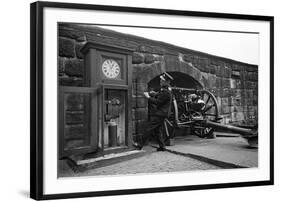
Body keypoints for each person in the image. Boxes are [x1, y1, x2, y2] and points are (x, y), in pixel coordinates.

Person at [133, 72, 173, 151]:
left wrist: (148, 97)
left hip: (160, 114)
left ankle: (140, 144)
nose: (160, 82)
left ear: (166, 82)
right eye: (160, 80)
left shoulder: (166, 92)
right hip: (162, 114)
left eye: (162, 81)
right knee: (157, 130)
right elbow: (160, 95)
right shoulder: (166, 90)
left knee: (148, 128)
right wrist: (154, 93)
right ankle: (162, 147)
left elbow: (158, 102)